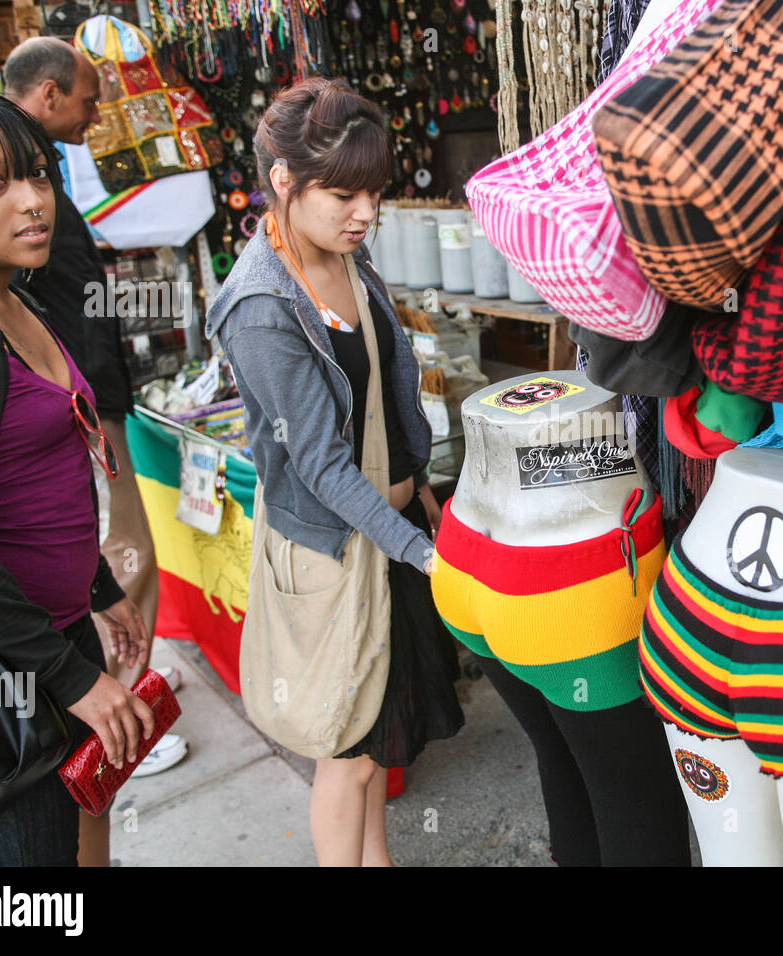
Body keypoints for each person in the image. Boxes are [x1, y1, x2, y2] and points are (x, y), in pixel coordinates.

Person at [205, 77, 463, 867]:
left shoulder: (347, 255)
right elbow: (318, 463)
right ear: (284, 182)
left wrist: (420, 494)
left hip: (390, 528)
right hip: (337, 550)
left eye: (375, 193)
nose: (366, 213)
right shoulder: (259, 304)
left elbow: (386, 394)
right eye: (344, 193)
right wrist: (420, 549)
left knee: (378, 747)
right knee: (344, 753)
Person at [0, 85, 154, 866]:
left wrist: (98, 588)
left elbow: (42, 478)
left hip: (58, 639)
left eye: (38, 174)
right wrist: (69, 677)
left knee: (79, 841)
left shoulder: (17, 296)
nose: (32, 202)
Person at [3, 39, 186, 793]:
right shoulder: (21, 184)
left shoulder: (33, 174)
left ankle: (114, 714)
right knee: (122, 550)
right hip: (75, 409)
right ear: (47, 94)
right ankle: (121, 720)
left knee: (115, 555)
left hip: (81, 403)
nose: (96, 112)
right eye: (86, 98)